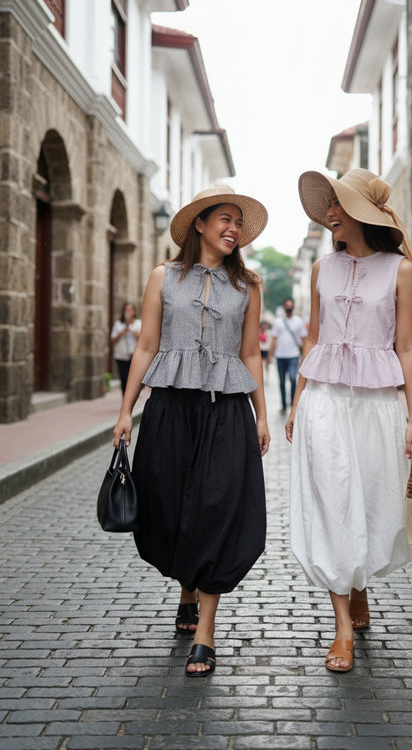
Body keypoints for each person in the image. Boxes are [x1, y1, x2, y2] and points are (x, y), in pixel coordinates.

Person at [112, 184, 270, 678]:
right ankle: (185, 591)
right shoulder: (164, 276)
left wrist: (262, 413)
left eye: (238, 223)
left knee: (216, 505)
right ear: (199, 224)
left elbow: (249, 354)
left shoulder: (249, 285)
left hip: (225, 410)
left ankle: (206, 629)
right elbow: (146, 346)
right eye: (224, 218)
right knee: (171, 505)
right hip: (170, 408)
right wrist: (125, 411)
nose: (233, 228)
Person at [285, 168, 412, 674]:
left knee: (368, 497)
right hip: (323, 396)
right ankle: (342, 625)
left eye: (337, 205)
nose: (329, 214)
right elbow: (314, 338)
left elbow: (406, 346)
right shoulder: (324, 267)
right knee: (333, 498)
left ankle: (357, 582)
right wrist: (298, 400)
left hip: (376, 402)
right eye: (328, 207)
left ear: (361, 212)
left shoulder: (400, 270)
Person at [268, 298, 307, 413]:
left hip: (293, 356)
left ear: (293, 307)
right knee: (281, 381)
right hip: (280, 356)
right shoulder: (278, 322)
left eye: (290, 305)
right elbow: (274, 339)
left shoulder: (299, 321)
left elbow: (304, 340)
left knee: (292, 378)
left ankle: (293, 403)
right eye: (287, 305)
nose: (288, 307)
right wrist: (270, 355)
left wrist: (304, 356)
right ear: (284, 307)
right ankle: (284, 404)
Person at [110, 303, 141, 395]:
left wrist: (133, 331)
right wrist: (120, 334)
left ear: (134, 312)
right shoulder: (118, 324)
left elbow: (143, 339)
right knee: (123, 378)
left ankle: (131, 397)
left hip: (133, 356)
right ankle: (125, 397)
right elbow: (112, 340)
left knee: (132, 379)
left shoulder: (138, 324)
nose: (128, 312)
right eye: (126, 310)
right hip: (121, 355)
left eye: (130, 310)